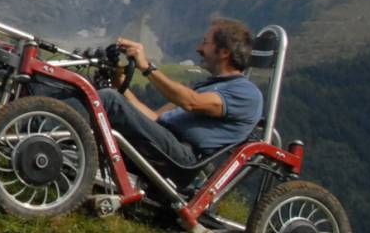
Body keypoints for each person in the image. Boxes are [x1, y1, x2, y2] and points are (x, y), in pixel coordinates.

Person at [94, 19, 264, 170]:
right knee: (99, 95)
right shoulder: (208, 87)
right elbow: (153, 117)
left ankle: (72, 135)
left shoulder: (246, 93)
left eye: (205, 43)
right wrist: (120, 83)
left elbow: (191, 102)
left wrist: (147, 67)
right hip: (166, 143)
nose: (198, 48)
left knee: (109, 99)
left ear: (225, 52)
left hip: (183, 157)